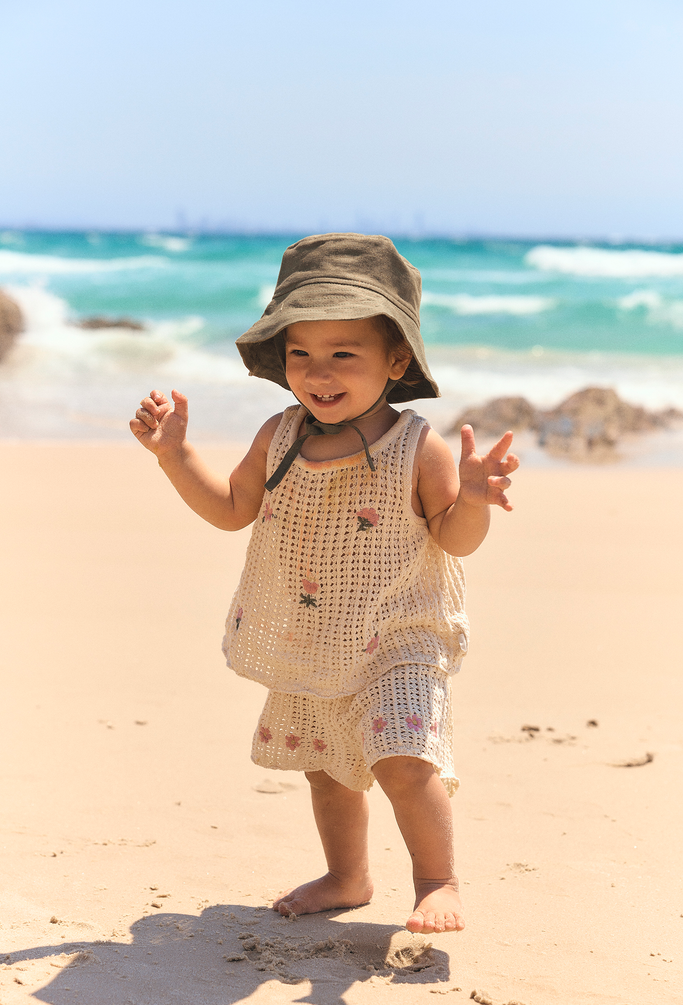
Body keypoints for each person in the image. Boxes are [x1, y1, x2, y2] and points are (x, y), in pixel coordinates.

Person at [130, 233, 518, 935]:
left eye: (344, 353)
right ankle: (347, 876)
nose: (319, 371)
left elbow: (451, 539)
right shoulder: (280, 435)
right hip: (312, 634)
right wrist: (175, 455)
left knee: (404, 759)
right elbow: (229, 510)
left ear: (394, 359)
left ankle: (436, 879)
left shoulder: (415, 444)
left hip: (399, 633)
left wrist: (475, 499)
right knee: (326, 770)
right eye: (301, 353)